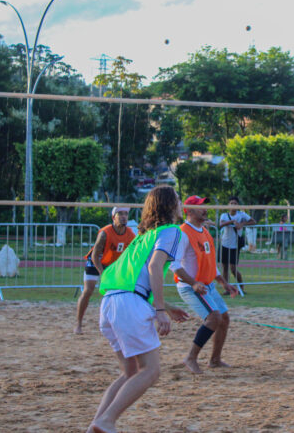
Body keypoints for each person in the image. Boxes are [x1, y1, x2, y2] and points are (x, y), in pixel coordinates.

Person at [88, 185, 189, 433]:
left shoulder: (142, 237)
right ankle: (106, 420)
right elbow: (155, 268)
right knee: (150, 371)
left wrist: (166, 306)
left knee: (130, 372)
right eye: (178, 199)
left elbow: (135, 280)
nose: (181, 203)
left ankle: (96, 424)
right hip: (129, 305)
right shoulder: (172, 231)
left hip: (110, 303)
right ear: (169, 205)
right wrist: (160, 310)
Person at [172, 196, 239, 374]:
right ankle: (191, 357)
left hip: (206, 285)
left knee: (224, 318)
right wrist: (193, 283)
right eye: (200, 206)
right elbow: (174, 265)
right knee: (213, 318)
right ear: (189, 210)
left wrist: (224, 283)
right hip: (190, 286)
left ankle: (215, 360)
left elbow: (210, 264)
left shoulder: (204, 231)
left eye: (204, 205)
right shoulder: (183, 233)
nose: (205, 209)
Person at [75, 207, 136, 334]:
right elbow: (95, 255)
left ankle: (117, 324)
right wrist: (103, 273)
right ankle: (78, 324)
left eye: (126, 214)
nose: (124, 217)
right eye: (120, 214)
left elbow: (132, 254)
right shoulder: (105, 232)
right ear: (113, 217)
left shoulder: (130, 234)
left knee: (117, 294)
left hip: (111, 265)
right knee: (88, 290)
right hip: (95, 262)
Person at [218, 196, 256, 291]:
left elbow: (253, 221)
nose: (233, 205)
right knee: (225, 267)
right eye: (231, 203)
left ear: (238, 205)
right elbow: (221, 224)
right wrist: (232, 221)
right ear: (228, 205)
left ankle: (241, 287)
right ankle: (227, 289)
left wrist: (241, 224)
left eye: (235, 203)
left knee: (233, 268)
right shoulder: (224, 215)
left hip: (235, 246)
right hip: (224, 244)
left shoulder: (242, 214)